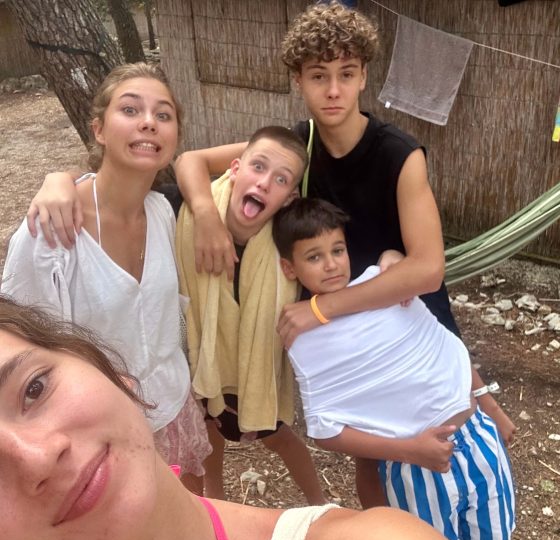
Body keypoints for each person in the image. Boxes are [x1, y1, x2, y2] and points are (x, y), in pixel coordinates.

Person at [25, 2, 515, 503]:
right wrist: (204, 215)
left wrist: (320, 309)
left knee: (449, 444)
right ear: (298, 81)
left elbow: (428, 270)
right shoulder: (298, 150)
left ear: (364, 77)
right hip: (340, 325)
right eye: (318, 76)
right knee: (371, 453)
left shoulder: (398, 154)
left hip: (396, 311)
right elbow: (192, 161)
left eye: (346, 74)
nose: (333, 90)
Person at [0, 295, 462, 540]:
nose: (38, 457)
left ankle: (315, 496)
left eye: (34, 389)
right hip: (214, 379)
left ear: (111, 372)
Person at [1, 63, 211, 486]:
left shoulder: (164, 212)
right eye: (130, 110)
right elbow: (18, 343)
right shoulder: (52, 232)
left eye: (163, 114)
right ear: (98, 130)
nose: (149, 122)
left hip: (172, 408)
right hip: (95, 431)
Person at [272, 197, 515, 540]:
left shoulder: (383, 283)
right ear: (289, 268)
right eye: (314, 257)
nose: (332, 264)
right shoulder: (304, 336)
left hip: (478, 439)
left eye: (337, 250)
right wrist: (410, 450)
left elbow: (442, 344)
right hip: (416, 468)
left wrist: (489, 406)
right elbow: (324, 429)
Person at [175, 126, 325, 504]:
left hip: (253, 370)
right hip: (199, 361)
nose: (264, 183)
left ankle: (320, 502)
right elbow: (182, 162)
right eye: (257, 167)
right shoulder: (187, 214)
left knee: (279, 438)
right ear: (234, 169)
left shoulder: (288, 241)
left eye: (281, 180)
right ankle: (212, 499)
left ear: (290, 198)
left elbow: (331, 266)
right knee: (205, 431)